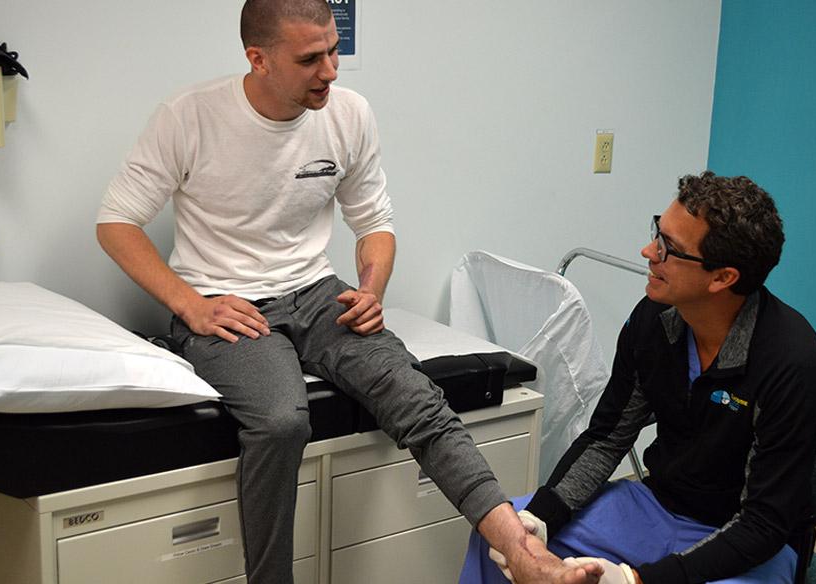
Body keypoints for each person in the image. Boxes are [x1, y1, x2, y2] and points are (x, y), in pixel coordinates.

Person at [95, 2, 600, 583]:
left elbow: (375, 223)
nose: (331, 70)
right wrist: (190, 304)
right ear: (257, 59)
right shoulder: (189, 117)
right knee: (284, 421)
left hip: (317, 293)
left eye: (334, 50)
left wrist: (371, 287)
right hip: (226, 302)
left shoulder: (349, 114)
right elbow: (116, 223)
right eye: (310, 58)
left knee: (417, 397)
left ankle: (524, 553)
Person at [462, 172, 816, 584]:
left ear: (722, 277)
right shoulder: (654, 322)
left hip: (749, 540)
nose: (648, 251)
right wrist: (540, 517)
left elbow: (764, 522)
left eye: (669, 248)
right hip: (654, 507)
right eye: (658, 233)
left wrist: (639, 580)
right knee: (502, 538)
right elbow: (607, 438)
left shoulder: (790, 361)